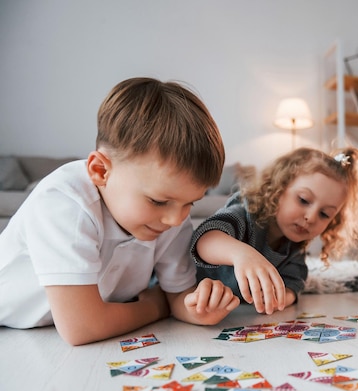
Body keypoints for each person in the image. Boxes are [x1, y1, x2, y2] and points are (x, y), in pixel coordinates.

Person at [0, 77, 240, 346]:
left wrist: (200, 309)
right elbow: (83, 328)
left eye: (191, 203)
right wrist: (156, 306)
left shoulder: (172, 217)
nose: (176, 219)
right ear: (100, 171)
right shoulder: (63, 202)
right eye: (158, 201)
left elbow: (177, 297)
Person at [191, 147, 358, 316]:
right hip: (186, 287)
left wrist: (281, 297)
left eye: (324, 214)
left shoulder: (294, 248)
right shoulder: (245, 214)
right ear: (278, 189)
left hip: (219, 307)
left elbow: (294, 281)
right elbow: (205, 240)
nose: (311, 217)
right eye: (303, 200)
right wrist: (241, 254)